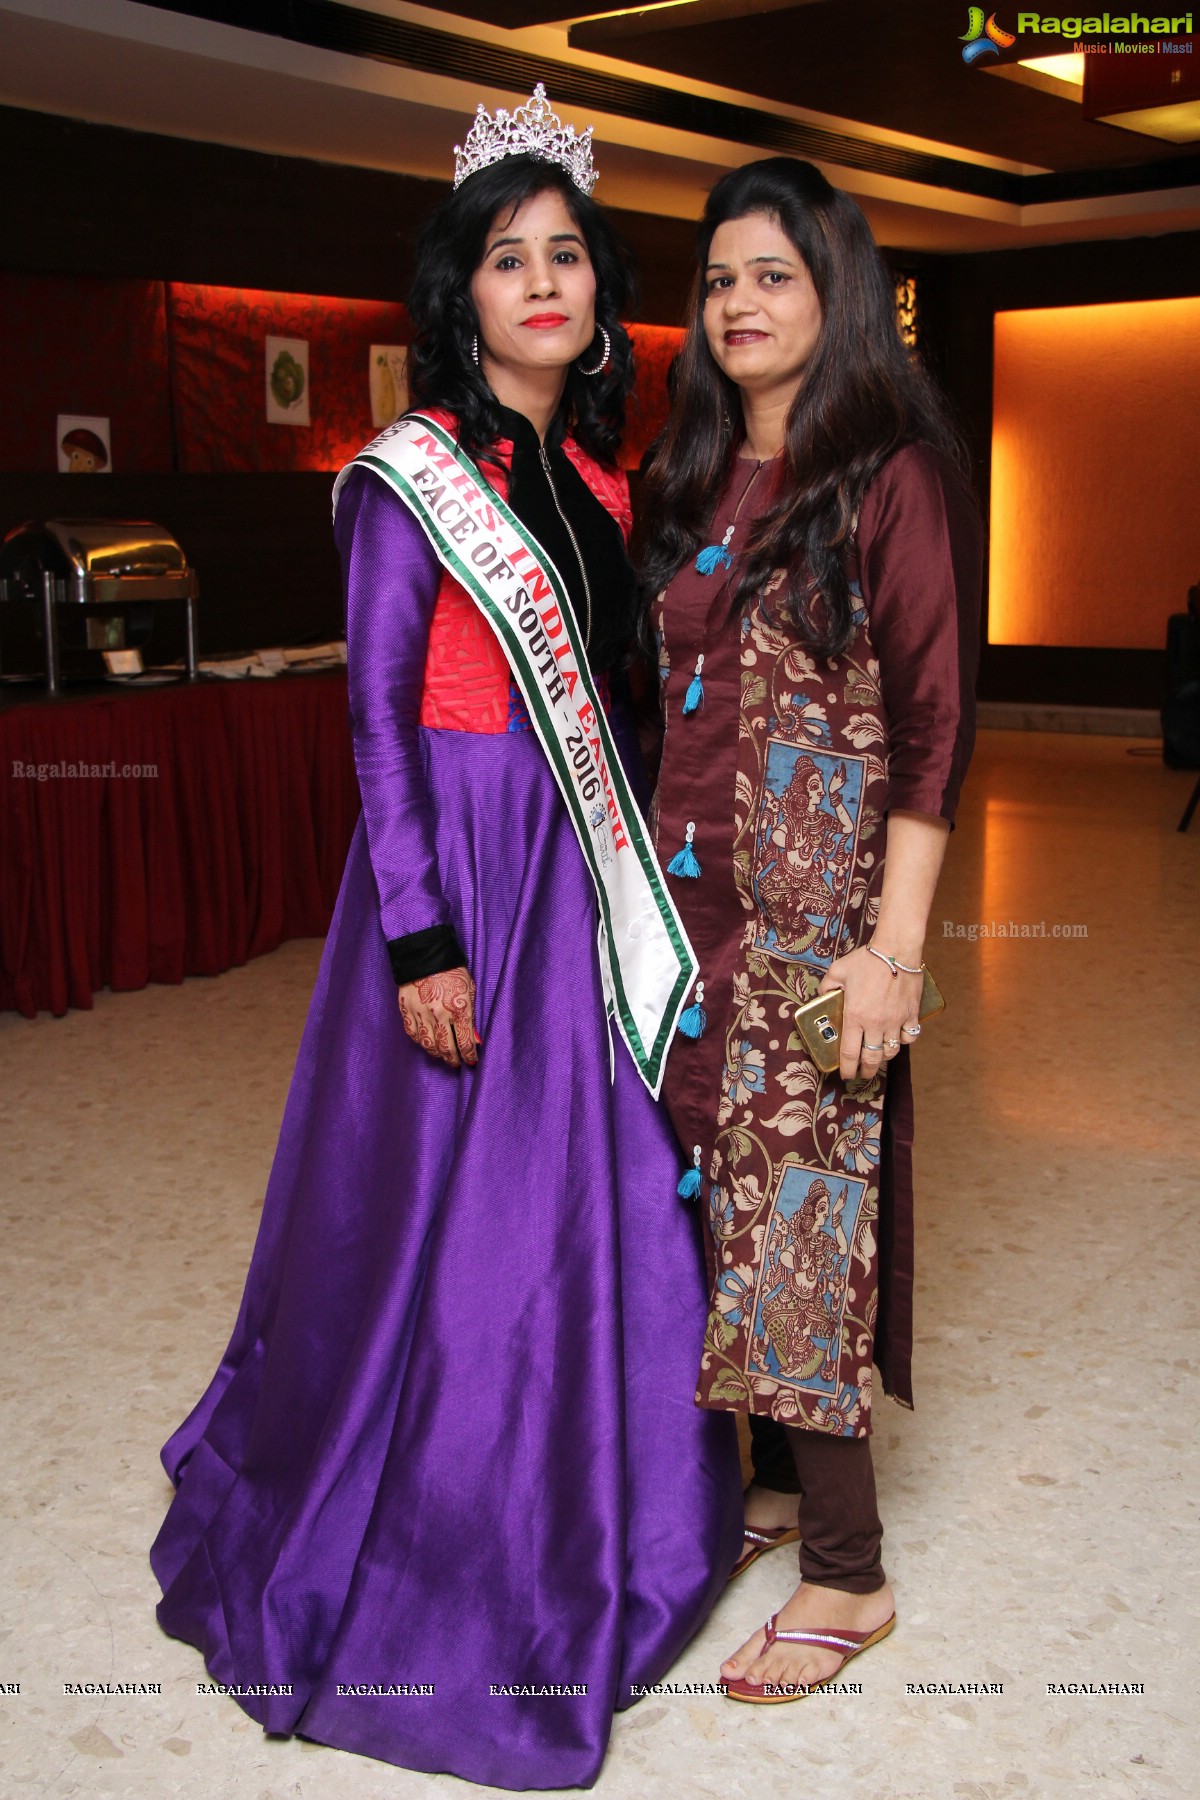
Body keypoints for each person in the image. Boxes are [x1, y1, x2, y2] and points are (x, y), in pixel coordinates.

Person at [151, 87, 741, 1789]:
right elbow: (379, 727)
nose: (542, 283)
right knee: (442, 1222)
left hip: (582, 874)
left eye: (568, 256)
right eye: (509, 259)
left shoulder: (604, 483)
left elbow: (629, 709)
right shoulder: (409, 483)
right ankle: (425, 1546)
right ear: (460, 295)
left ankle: (606, 1517)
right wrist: (419, 938)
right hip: (459, 878)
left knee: (601, 1190)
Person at [640, 157, 982, 1702]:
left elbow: (933, 727)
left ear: (835, 291)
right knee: (717, 1200)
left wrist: (894, 952)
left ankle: (850, 1577)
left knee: (805, 1231)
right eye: (719, 280)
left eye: (772, 274)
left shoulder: (887, 467)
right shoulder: (699, 470)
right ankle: (769, 1488)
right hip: (689, 922)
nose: (739, 305)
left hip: (816, 935)